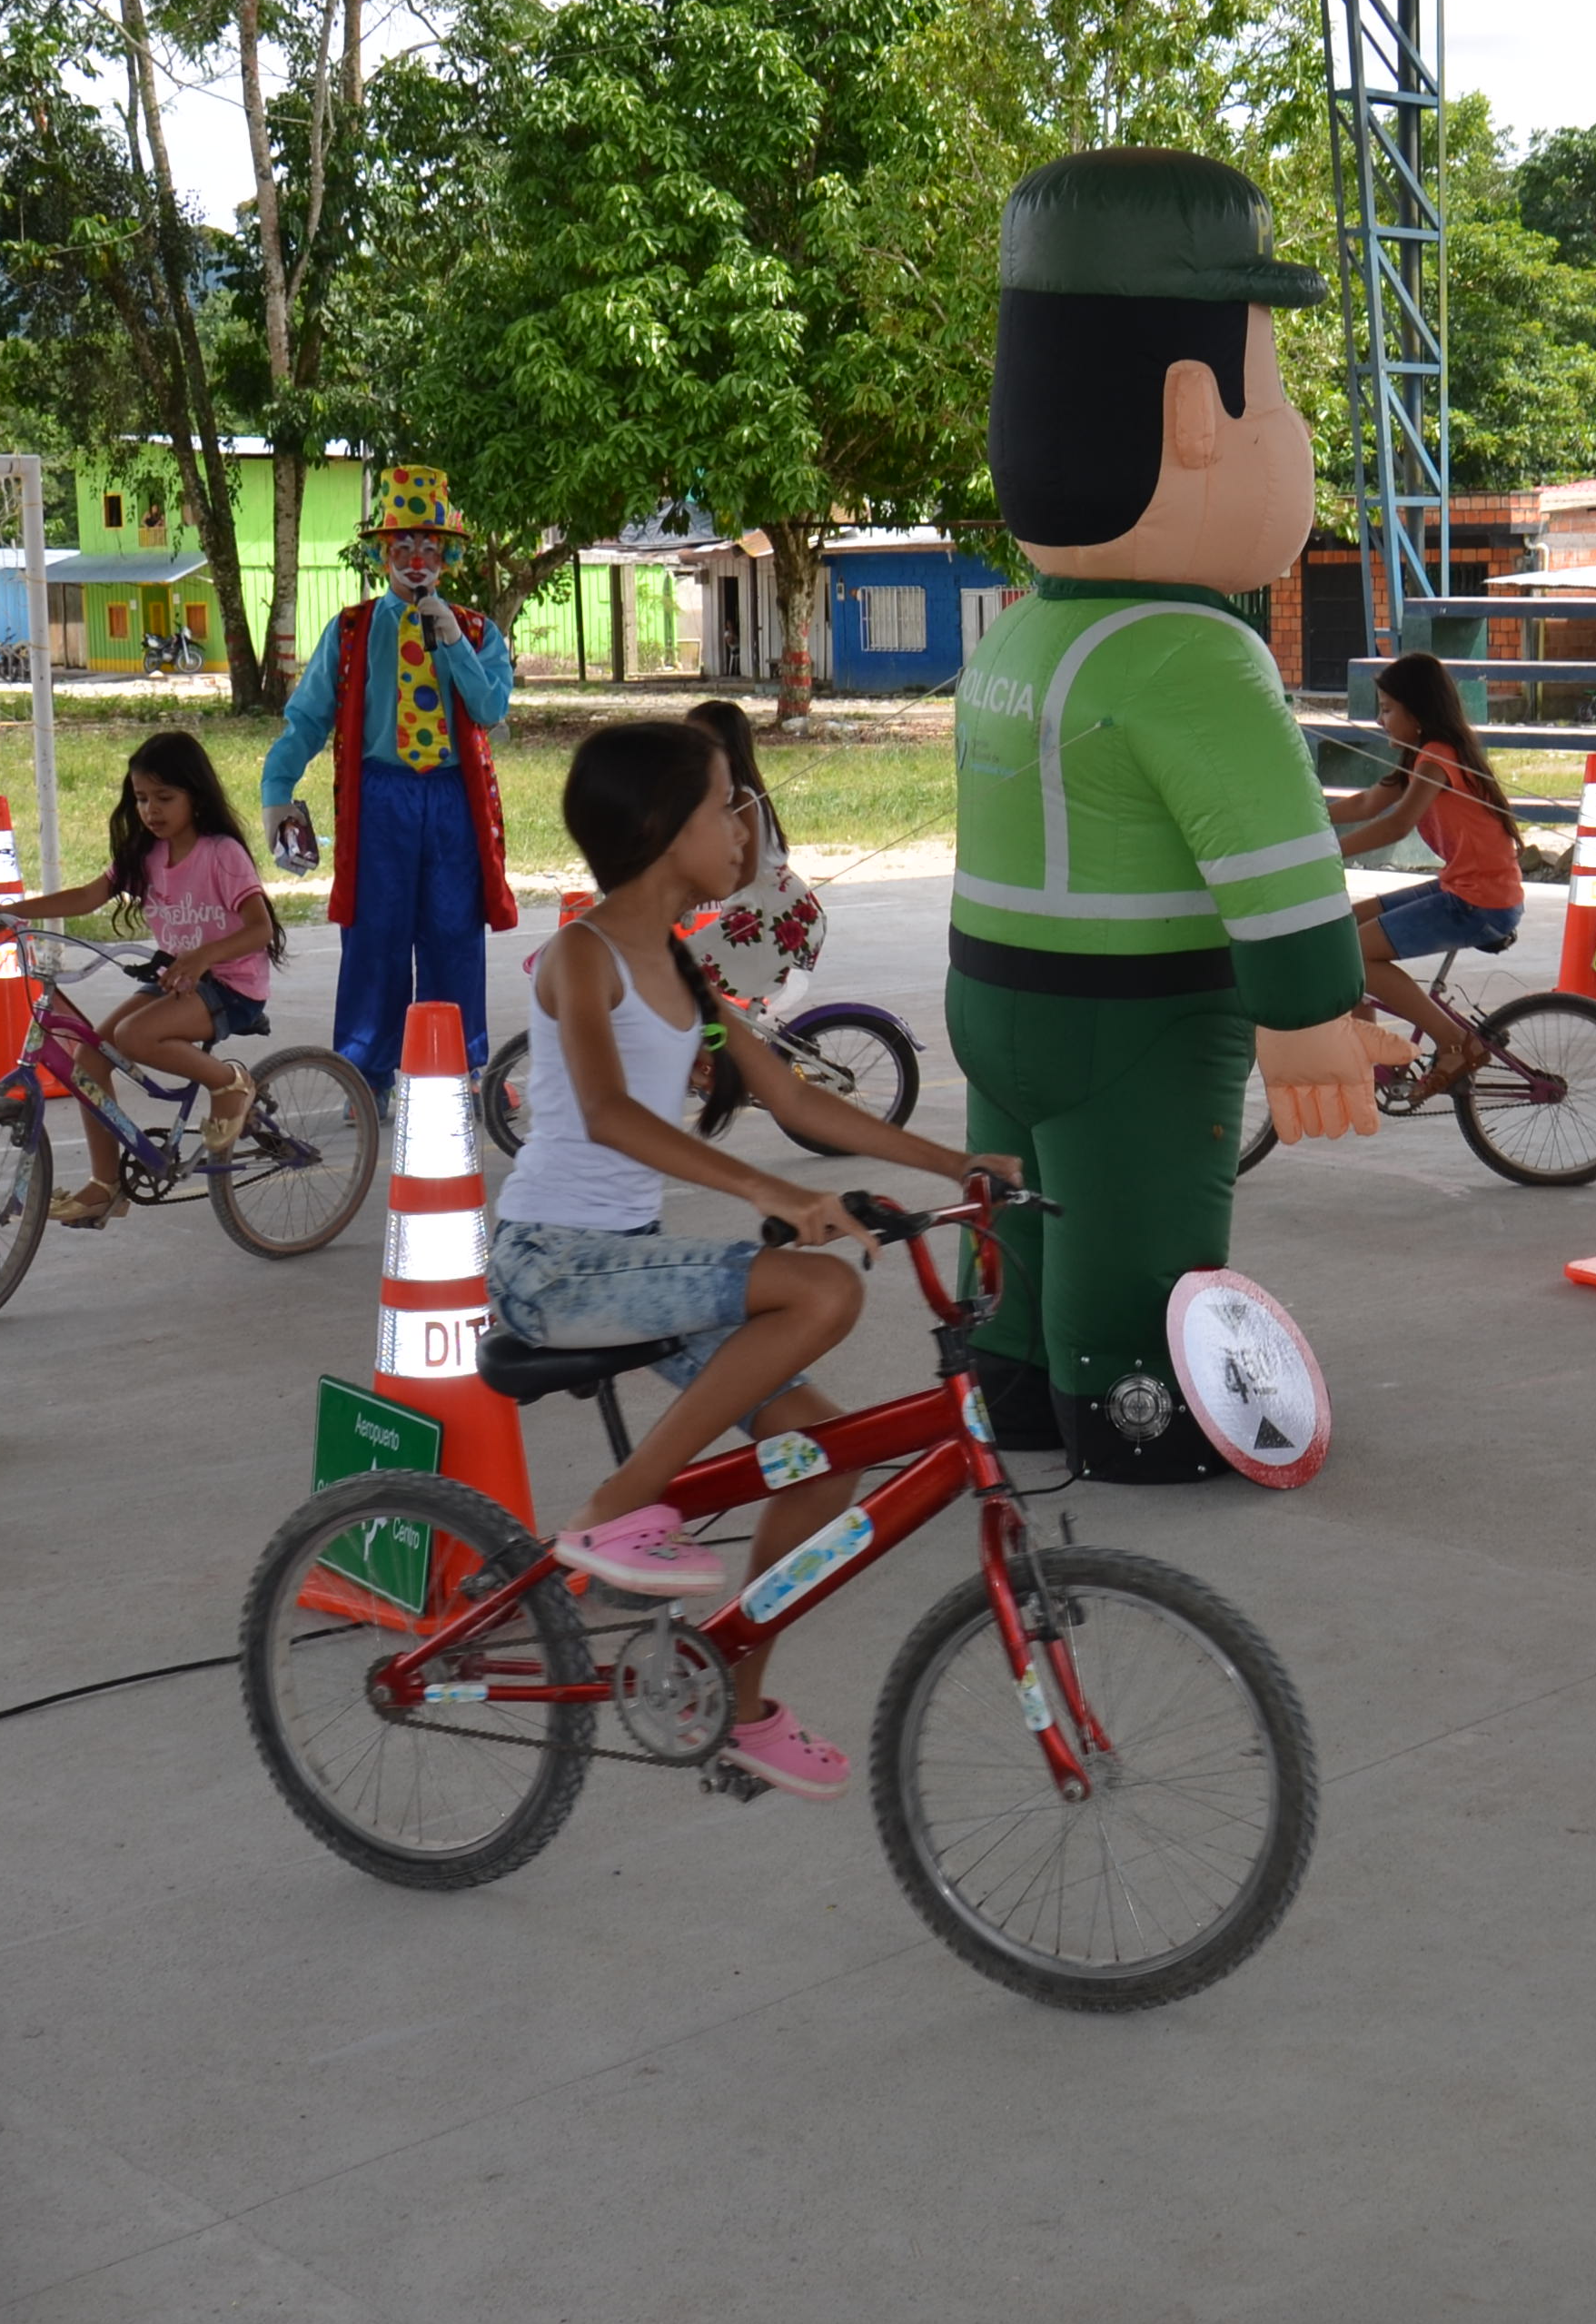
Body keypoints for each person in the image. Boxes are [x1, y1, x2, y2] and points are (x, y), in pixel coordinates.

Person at [947, 147, 1389, 1480]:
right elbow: (1273, 858)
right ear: (1196, 414)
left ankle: (1014, 1376)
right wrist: (1311, 1012)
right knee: (1135, 1221)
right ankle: (1131, 1404)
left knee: (1022, 1208)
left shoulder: (1021, 634)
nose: (1292, 426)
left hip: (993, 997)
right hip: (1132, 1016)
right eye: (1277, 390)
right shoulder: (1195, 656)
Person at [488, 719, 1008, 1802]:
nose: (744, 824)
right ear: (656, 826)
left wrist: (954, 1161)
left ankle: (733, 1696)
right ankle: (621, 1504)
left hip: (627, 1263)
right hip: (551, 1264)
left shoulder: (684, 966)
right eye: (727, 803)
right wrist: (767, 1191)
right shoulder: (585, 954)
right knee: (817, 1286)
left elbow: (798, 1096)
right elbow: (608, 1113)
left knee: (824, 1456)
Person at [259, 466, 520, 1083]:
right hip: (381, 800)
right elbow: (307, 718)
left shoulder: (478, 630)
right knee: (373, 938)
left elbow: (488, 710)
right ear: (383, 554)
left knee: (454, 936)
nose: (417, 557)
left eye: (430, 545)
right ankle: (366, 1074)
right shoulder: (351, 630)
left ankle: (456, 1070)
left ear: (449, 555)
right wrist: (277, 791)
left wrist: (452, 640)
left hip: (453, 801)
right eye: (402, 544)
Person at [25, 730, 282, 1225]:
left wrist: (204, 956)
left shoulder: (220, 853)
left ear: (196, 796)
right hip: (180, 981)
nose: (151, 810)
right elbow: (85, 897)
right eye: (141, 798)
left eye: (165, 798)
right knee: (89, 1058)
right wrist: (7, 911)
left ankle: (229, 1084)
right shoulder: (143, 855)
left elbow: (259, 928)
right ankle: (106, 1187)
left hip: (232, 985)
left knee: (133, 1035)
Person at [1322, 649, 1522, 1095]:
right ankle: (1374, 1055)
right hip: (1462, 888)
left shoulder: (1436, 756)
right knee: (1340, 930)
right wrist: (1306, 818)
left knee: (1354, 954)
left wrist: (1327, 852)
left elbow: (1397, 823)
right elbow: (1367, 804)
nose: (1380, 720)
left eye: (1389, 710)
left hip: (1479, 901)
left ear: (1417, 712)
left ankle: (1455, 1042)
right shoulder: (1417, 758)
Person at [679, 695, 827, 1016]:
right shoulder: (725, 795)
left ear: (729, 751)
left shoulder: (742, 796)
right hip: (763, 907)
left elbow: (742, 873)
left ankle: (727, 1057)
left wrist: (689, 900)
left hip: (772, 912)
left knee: (681, 964)